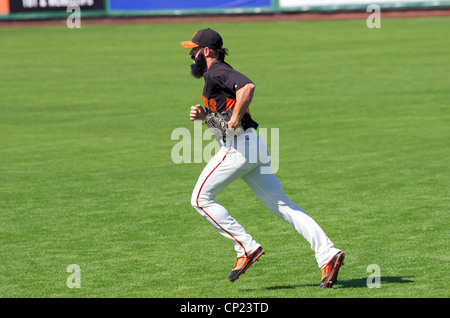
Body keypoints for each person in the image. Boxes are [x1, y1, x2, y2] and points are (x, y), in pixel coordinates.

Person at [180, 28, 345, 287]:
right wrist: (206, 117)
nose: (191, 54)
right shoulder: (214, 75)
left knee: (200, 199)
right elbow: (226, 112)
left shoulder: (216, 70)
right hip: (252, 147)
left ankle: (246, 247)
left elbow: (247, 86)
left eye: (194, 49)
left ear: (207, 51)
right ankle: (328, 254)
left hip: (238, 149)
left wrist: (234, 120)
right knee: (284, 206)